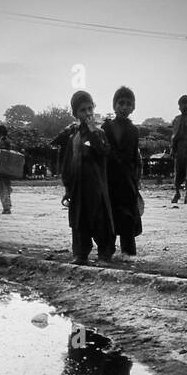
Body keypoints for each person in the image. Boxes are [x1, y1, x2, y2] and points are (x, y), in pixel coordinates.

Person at [50, 90, 115, 266]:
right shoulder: (74, 137)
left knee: (100, 220)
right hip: (78, 189)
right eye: (82, 110)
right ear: (75, 114)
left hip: (96, 187)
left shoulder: (99, 133)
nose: (87, 113)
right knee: (79, 222)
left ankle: (104, 254)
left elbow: (104, 151)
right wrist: (67, 188)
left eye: (89, 109)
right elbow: (68, 164)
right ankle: (81, 254)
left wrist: (94, 132)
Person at [101, 86, 143, 257]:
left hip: (127, 181)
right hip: (108, 180)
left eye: (128, 104)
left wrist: (136, 181)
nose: (124, 107)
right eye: (121, 103)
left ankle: (128, 253)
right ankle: (106, 251)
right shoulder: (105, 128)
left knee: (127, 218)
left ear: (133, 107)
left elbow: (135, 158)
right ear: (114, 105)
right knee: (108, 216)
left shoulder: (134, 131)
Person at [0, 123, 14, 214]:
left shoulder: (2, 141)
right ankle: (7, 205)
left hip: (2, 167)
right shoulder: (9, 141)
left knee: (3, 188)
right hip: (8, 167)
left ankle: (6, 207)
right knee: (7, 187)